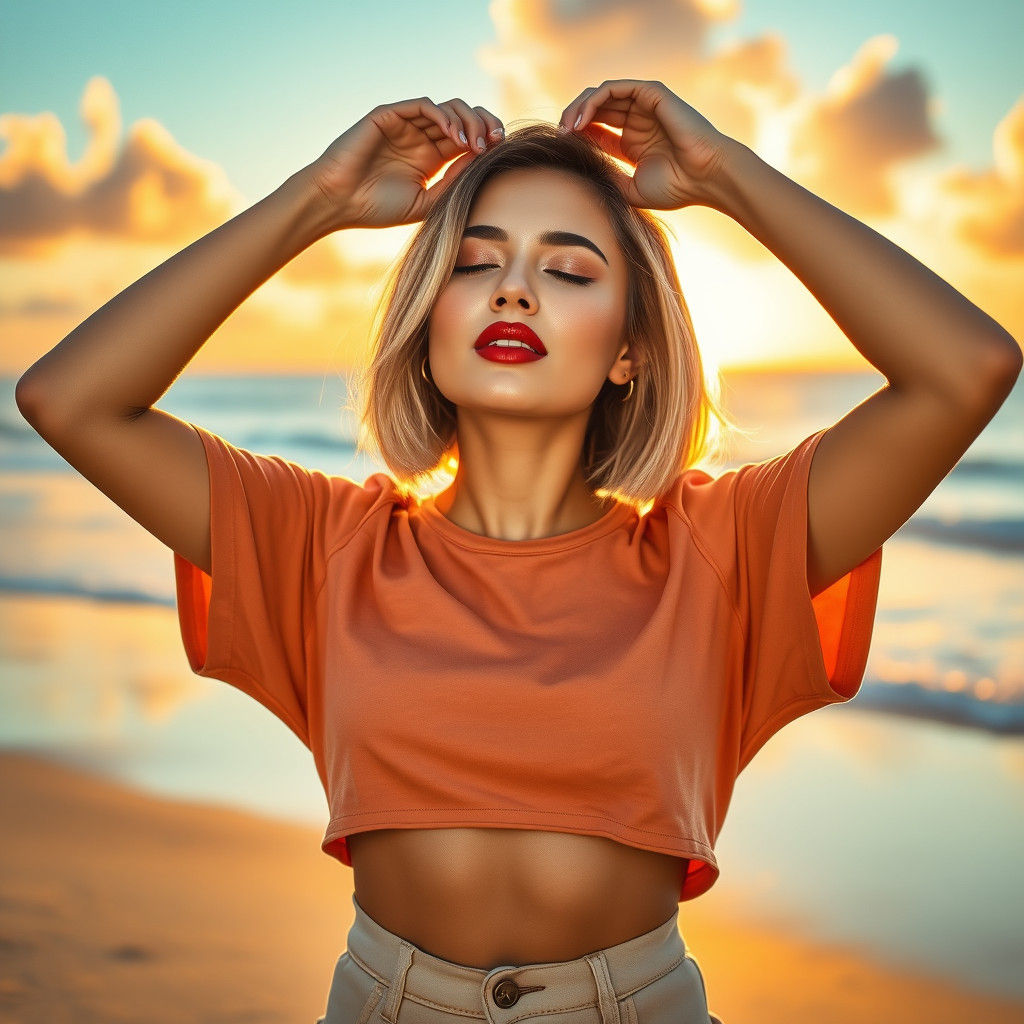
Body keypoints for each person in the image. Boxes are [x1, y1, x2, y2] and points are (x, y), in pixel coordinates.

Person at [16, 79, 1019, 1024]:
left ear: (629, 350)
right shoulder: (323, 541)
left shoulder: (720, 550)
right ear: (427, 321)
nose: (513, 292)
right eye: (474, 263)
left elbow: (966, 369)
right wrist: (317, 199)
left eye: (568, 270)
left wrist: (724, 174)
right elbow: (70, 399)